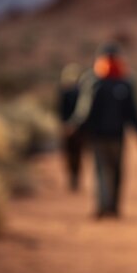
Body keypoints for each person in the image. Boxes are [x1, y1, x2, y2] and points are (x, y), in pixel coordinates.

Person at [71, 43, 137, 218]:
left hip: (98, 136)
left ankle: (104, 206)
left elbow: (85, 110)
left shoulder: (93, 81)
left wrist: (77, 127)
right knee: (116, 170)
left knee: (101, 170)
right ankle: (112, 207)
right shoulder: (125, 81)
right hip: (116, 136)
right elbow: (133, 111)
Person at [58, 63, 85, 192]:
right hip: (75, 128)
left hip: (73, 127)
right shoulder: (75, 92)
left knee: (73, 154)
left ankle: (74, 178)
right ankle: (74, 178)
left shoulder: (71, 92)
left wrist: (68, 124)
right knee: (74, 154)